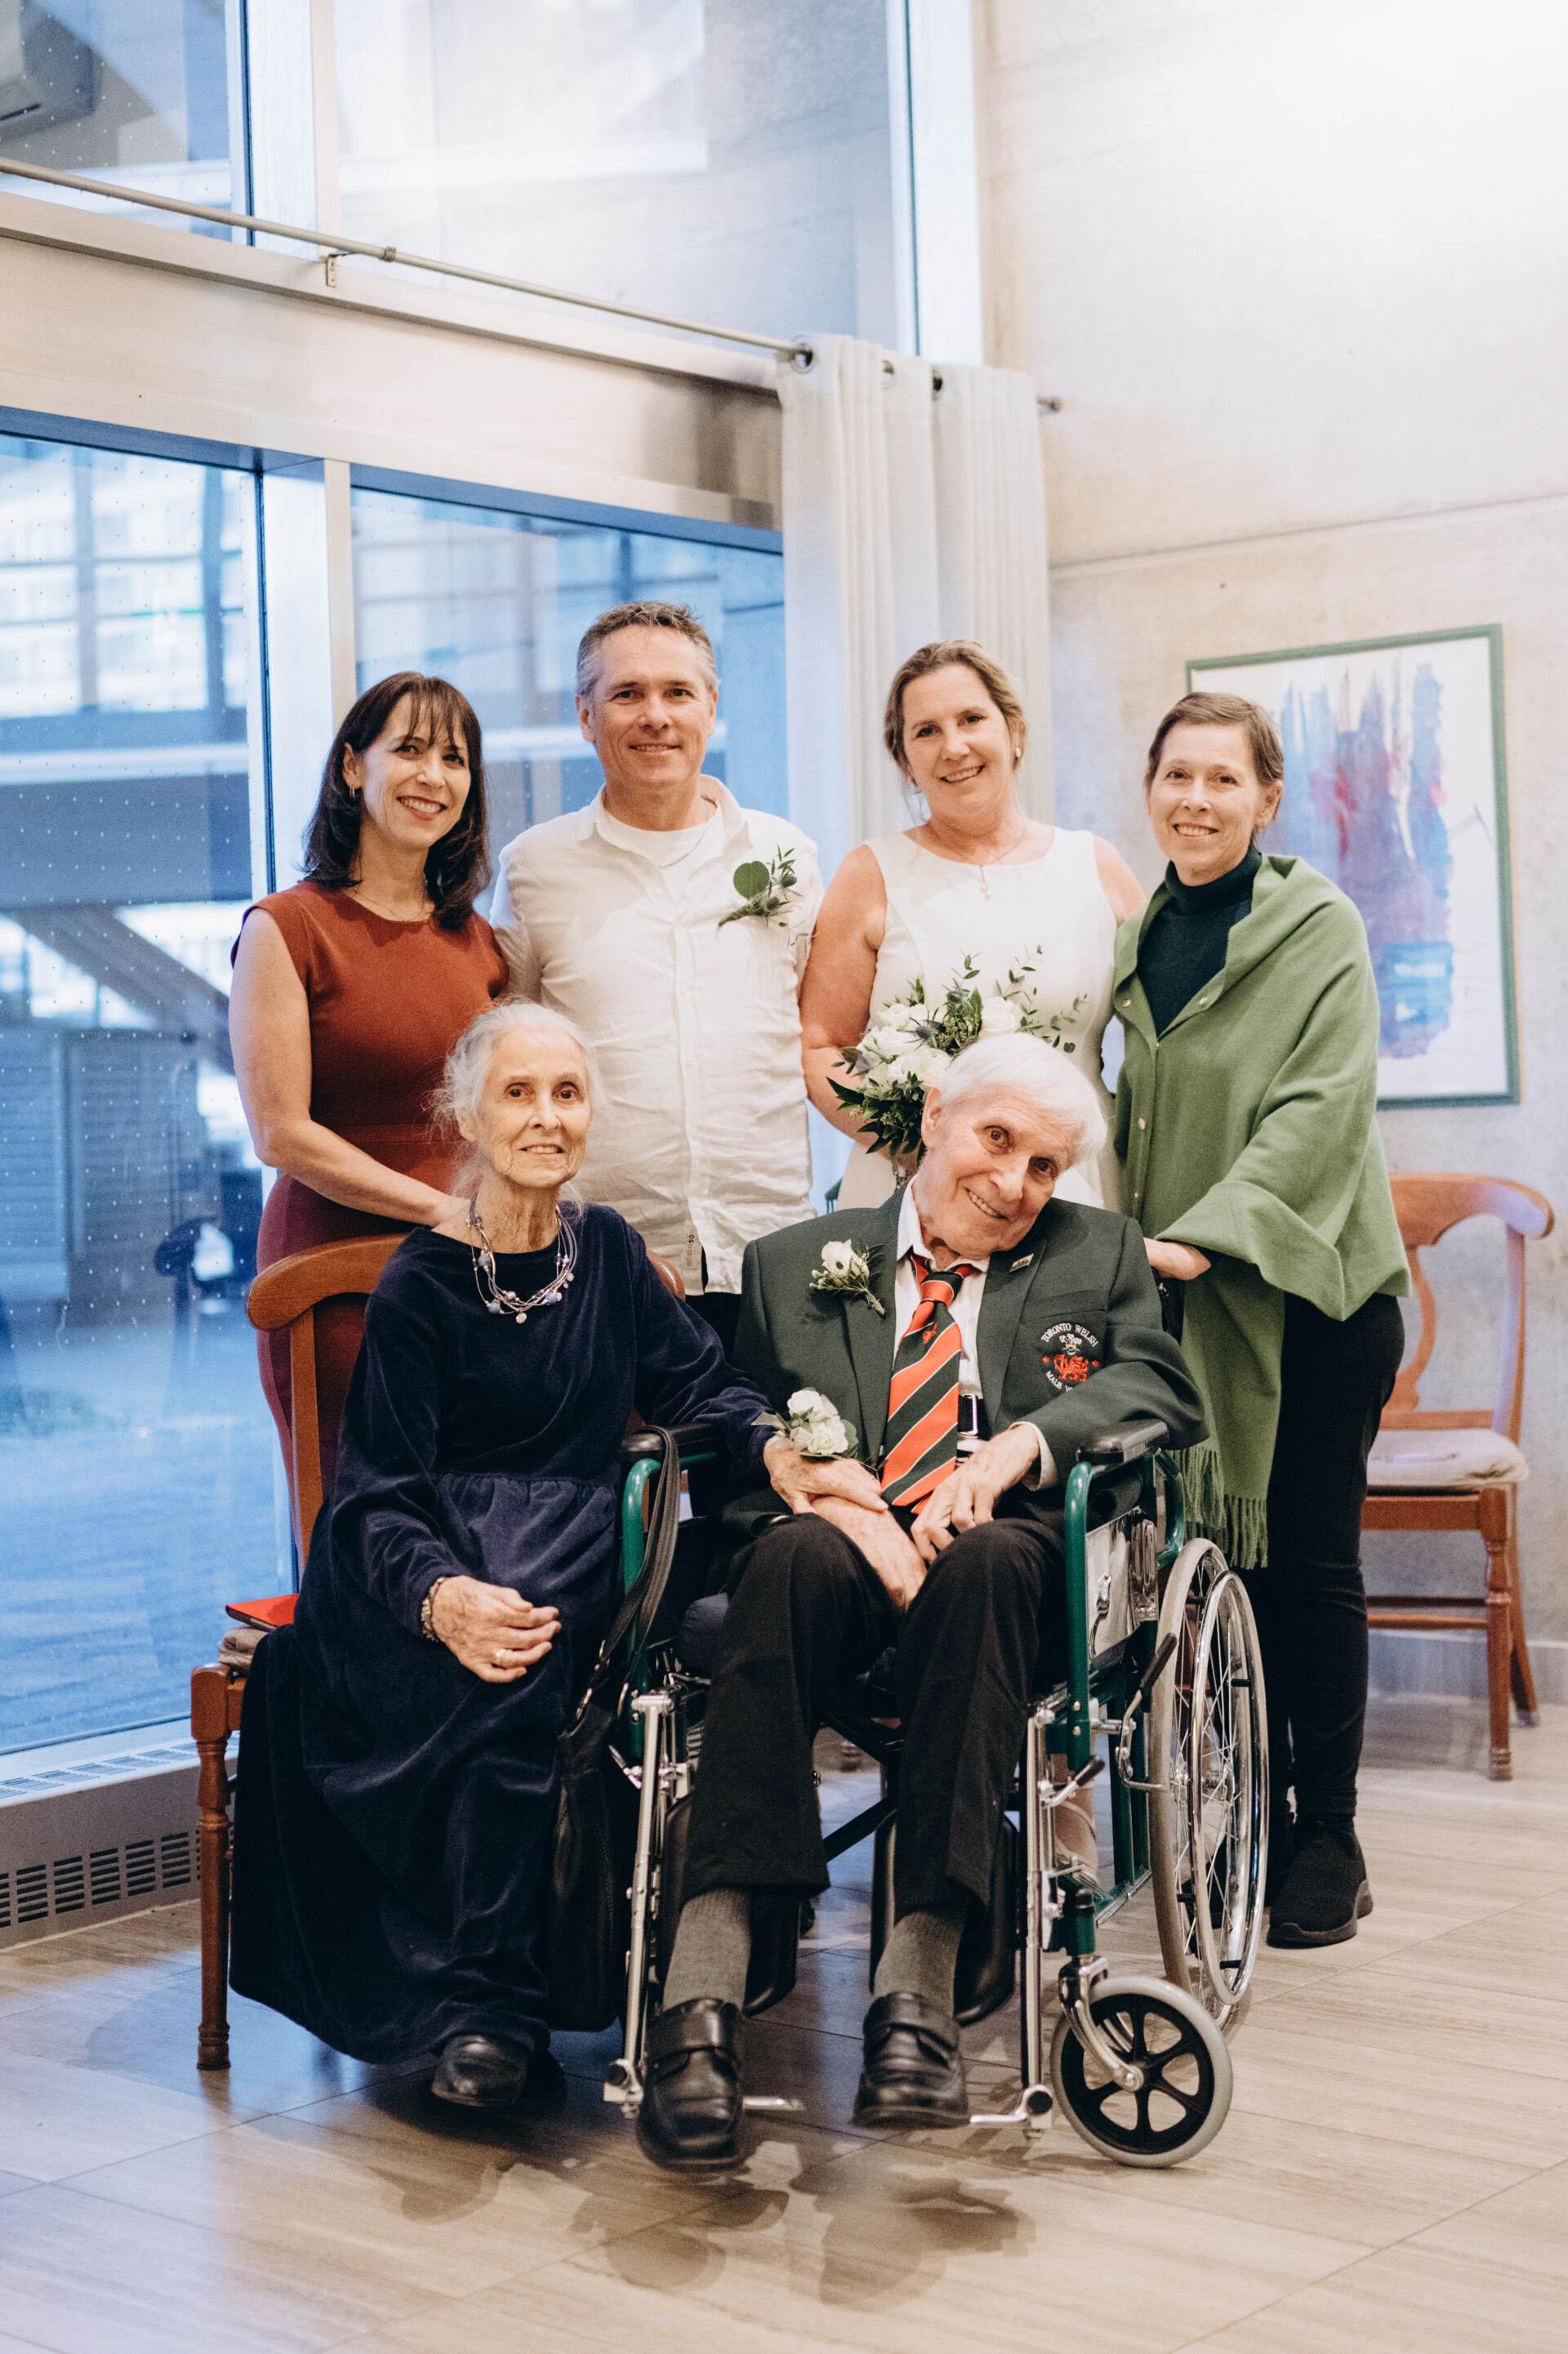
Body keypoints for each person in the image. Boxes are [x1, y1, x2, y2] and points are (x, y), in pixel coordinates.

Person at [635, 1034, 1204, 2169]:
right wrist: (843, 1509)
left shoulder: (1096, 1251)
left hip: (1007, 1557)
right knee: (785, 1562)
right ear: (936, 1115)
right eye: (997, 1139)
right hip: (843, 1553)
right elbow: (745, 1450)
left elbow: (1158, 1384)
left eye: (1045, 1165)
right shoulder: (794, 1261)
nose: (1015, 1183)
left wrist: (1019, 1448)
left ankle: (918, 1998)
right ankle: (702, 1995)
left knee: (986, 1563)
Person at [229, 1004, 773, 2109]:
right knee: (492, 1662)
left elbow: (699, 1385)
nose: (546, 1116)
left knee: (526, 1648)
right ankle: (485, 2011)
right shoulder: (423, 1280)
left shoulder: (608, 1252)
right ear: (468, 1116)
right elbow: (377, 1492)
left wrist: (778, 1442)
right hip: (417, 1559)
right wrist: (441, 1598)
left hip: (569, 1541)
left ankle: (490, 2005)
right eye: (518, 1093)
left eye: (567, 1093)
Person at [1113, 690, 1409, 1951]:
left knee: (1308, 1566)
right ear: (1151, 788)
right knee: (1229, 1571)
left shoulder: (1316, 924)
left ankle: (1328, 1835)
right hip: (1189, 1306)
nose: (1196, 798)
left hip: (1313, 1295)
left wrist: (1207, 1232)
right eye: (1176, 775)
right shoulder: (1141, 934)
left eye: (1223, 778)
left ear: (1267, 798)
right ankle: (1257, 1817)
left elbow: (1319, 1107)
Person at [488, 600, 822, 1355]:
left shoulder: (788, 858)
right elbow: (508, 1049)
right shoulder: (535, 868)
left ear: (712, 706)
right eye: (626, 694)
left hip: (768, 1247)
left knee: (776, 1435)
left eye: (677, 692)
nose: (656, 716)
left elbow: (819, 1027)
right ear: (585, 714)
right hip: (598, 1256)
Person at [229, 671, 508, 1487]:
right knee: (359, 1515)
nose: (433, 776)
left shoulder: (479, 942)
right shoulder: (287, 928)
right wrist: (441, 1212)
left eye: (454, 758)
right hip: (336, 1268)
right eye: (409, 749)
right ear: (354, 766)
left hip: (473, 1271)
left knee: (482, 1514)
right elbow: (281, 1133)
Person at [800, 640, 1143, 1213]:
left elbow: (1168, 1036)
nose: (953, 746)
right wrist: (929, 1148)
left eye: (971, 719)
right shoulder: (870, 874)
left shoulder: (1095, 866)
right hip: (917, 1183)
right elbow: (821, 1048)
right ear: (905, 760)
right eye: (926, 731)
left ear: (1013, 730)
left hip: (1069, 1179)